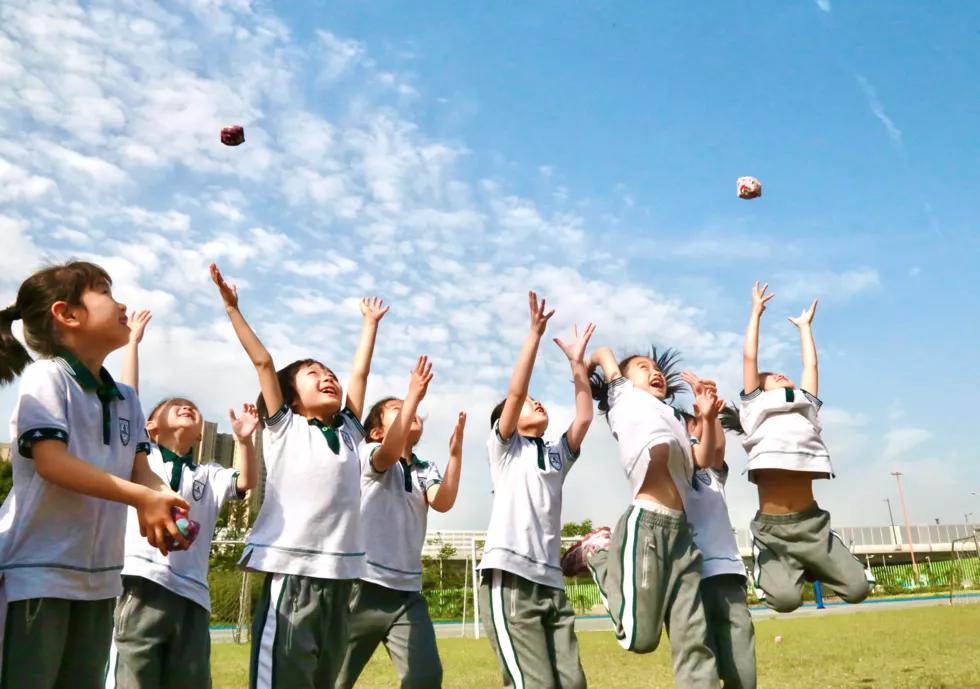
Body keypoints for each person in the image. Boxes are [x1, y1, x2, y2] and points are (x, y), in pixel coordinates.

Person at [0, 262, 187, 689]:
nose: (121, 302)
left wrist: (166, 503)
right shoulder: (47, 377)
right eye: (104, 291)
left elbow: (143, 471)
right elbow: (52, 462)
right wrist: (142, 499)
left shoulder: (128, 398)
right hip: (37, 574)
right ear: (67, 314)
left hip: (101, 582)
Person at [211, 263, 388, 689]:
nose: (327, 377)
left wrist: (369, 325)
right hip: (292, 572)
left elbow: (359, 375)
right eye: (314, 375)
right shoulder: (285, 426)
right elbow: (263, 361)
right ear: (292, 398)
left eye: (329, 374)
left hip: (341, 579)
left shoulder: (348, 431)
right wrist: (234, 309)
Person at [107, 310, 259, 688]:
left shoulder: (206, 474)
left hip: (193, 594)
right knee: (133, 678)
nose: (187, 406)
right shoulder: (143, 458)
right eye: (175, 405)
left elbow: (247, 481)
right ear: (151, 426)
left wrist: (244, 440)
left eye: (192, 407)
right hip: (139, 580)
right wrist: (133, 343)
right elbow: (128, 400)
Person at [562, 345, 719, 688]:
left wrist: (706, 418)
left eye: (656, 368)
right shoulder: (625, 400)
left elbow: (702, 461)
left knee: (693, 638)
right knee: (638, 638)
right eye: (643, 367)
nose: (654, 371)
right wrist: (582, 365)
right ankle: (598, 553)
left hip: (682, 536)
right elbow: (604, 353)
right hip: (646, 526)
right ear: (624, 380)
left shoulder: (674, 418)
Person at [478, 291, 595, 689]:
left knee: (572, 683)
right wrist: (535, 335)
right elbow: (514, 394)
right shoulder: (505, 448)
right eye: (529, 403)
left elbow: (583, 416)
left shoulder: (556, 456)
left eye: (537, 399)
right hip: (511, 577)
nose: (536, 402)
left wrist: (578, 366)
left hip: (551, 582)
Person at [734, 282, 871, 613]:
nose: (780, 375)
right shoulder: (755, 407)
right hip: (773, 530)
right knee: (784, 601)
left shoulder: (805, 406)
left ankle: (815, 563)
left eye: (782, 374)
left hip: (813, 524)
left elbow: (811, 368)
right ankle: (772, 562)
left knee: (858, 590)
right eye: (771, 376)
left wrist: (805, 329)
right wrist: (756, 312)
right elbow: (750, 356)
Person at [335, 371, 465, 689]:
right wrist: (413, 396)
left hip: (407, 593)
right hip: (360, 587)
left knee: (425, 677)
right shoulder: (369, 455)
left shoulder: (425, 469)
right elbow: (390, 453)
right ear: (377, 432)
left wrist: (455, 455)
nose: (410, 409)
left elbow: (443, 501)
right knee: (333, 680)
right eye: (397, 407)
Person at [680, 372, 756, 689]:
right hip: (688, 581)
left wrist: (707, 410)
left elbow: (718, 449)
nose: (696, 435)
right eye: (690, 430)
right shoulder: (670, 474)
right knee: (702, 677)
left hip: (726, 576)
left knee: (744, 676)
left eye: (699, 428)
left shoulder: (713, 474)